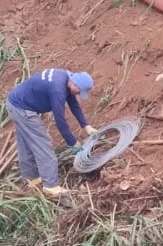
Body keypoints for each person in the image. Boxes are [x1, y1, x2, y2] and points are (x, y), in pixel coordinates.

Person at [6, 68, 96, 201]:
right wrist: (73, 143)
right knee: (43, 144)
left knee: (26, 144)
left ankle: (31, 180)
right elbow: (60, 120)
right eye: (79, 91)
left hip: (15, 103)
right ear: (74, 84)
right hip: (22, 109)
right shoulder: (57, 90)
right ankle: (51, 186)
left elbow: (74, 104)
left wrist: (86, 126)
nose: (78, 94)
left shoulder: (65, 78)